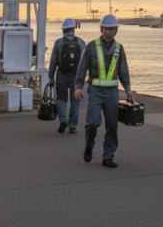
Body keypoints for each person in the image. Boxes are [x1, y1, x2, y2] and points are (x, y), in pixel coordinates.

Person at [75, 14, 133, 168]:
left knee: (112, 125)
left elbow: (123, 71)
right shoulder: (92, 46)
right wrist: (78, 87)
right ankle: (89, 145)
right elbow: (82, 67)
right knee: (93, 123)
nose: (109, 31)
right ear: (102, 29)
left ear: (116, 31)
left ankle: (108, 156)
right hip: (95, 90)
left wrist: (128, 90)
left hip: (112, 93)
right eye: (107, 29)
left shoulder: (119, 49)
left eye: (112, 29)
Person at [48, 18, 86, 134]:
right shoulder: (81, 42)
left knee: (61, 99)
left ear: (63, 29)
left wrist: (51, 76)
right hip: (76, 76)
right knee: (75, 101)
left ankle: (63, 120)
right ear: (73, 29)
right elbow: (85, 62)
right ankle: (73, 125)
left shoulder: (59, 43)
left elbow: (53, 61)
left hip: (62, 75)